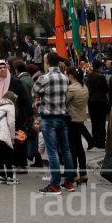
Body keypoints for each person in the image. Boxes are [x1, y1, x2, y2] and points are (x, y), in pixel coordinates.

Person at [33, 52, 75, 194]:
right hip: (62, 116)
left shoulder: (44, 78)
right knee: (66, 150)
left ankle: (55, 184)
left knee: (52, 152)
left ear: (47, 63)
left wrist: (41, 96)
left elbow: (35, 91)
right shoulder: (64, 78)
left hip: (49, 117)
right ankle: (69, 182)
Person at [65, 67, 90, 183]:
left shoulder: (71, 88)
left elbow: (65, 102)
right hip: (81, 118)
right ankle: (83, 173)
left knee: (72, 148)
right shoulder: (84, 87)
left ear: (71, 75)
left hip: (72, 119)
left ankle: (73, 173)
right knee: (79, 147)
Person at [0, 91, 21, 184]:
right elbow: (11, 123)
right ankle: (10, 177)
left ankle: (2, 177)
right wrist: (12, 137)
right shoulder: (10, 106)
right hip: (3, 134)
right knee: (8, 156)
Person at [86, 60, 111, 149]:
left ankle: (95, 140)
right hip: (100, 101)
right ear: (100, 67)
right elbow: (106, 88)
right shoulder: (101, 77)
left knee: (94, 121)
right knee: (101, 121)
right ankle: (101, 142)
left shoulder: (89, 76)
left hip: (91, 101)